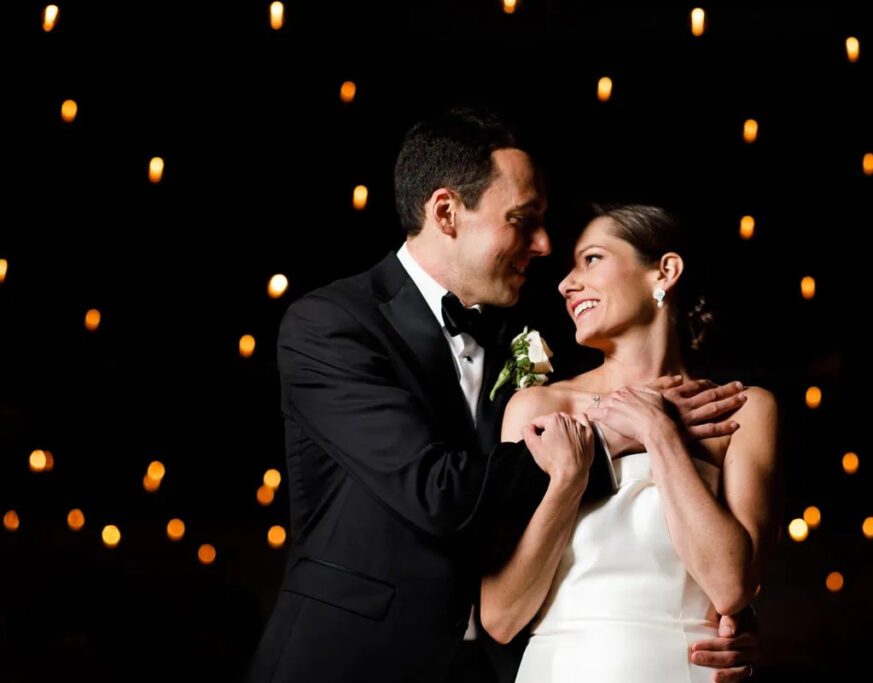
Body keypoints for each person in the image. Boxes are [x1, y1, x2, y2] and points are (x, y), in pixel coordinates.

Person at [247, 108, 753, 683]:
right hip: (353, 661)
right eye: (522, 220)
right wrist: (611, 433)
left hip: (495, 667)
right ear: (446, 213)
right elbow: (437, 491)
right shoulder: (333, 325)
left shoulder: (527, 335)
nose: (543, 245)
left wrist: (724, 621)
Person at [480, 204, 780, 682]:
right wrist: (571, 478)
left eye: (592, 259)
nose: (566, 284)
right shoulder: (539, 408)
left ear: (665, 271)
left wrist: (659, 433)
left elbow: (731, 588)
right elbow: (500, 617)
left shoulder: (742, 410)